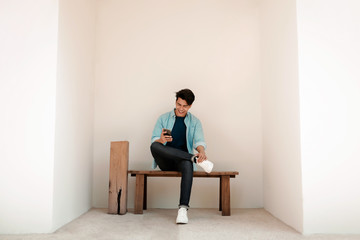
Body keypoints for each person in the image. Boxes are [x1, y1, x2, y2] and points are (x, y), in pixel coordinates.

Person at [150, 88, 214, 224]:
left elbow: (199, 141)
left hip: (182, 162)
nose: (181, 108)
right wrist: (161, 140)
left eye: (185, 106)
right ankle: (192, 158)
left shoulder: (195, 122)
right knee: (154, 146)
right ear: (175, 102)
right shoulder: (163, 118)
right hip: (165, 160)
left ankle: (183, 210)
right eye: (179, 104)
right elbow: (154, 140)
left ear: (190, 106)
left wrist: (201, 152)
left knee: (187, 163)